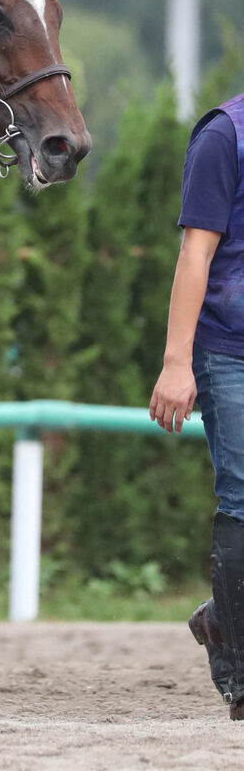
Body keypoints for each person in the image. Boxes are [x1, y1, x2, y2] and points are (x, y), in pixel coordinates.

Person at [150, 92, 244, 719]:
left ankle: (220, 617)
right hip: (229, 349)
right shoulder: (224, 136)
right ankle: (239, 673)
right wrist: (177, 361)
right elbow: (196, 253)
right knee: (243, 497)